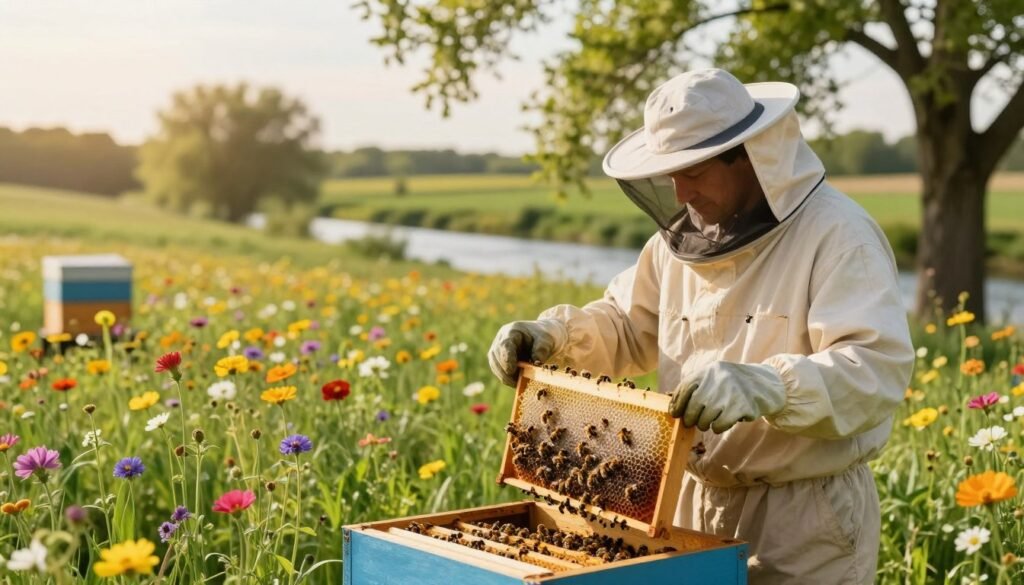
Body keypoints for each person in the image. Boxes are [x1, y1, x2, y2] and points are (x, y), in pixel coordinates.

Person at [488, 68, 914, 584]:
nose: (680, 191)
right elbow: (628, 325)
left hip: (802, 518)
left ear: (749, 155)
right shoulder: (677, 247)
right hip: (685, 504)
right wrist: (554, 335)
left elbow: (874, 369)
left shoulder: (839, 236)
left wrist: (771, 386)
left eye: (694, 169)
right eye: (670, 172)